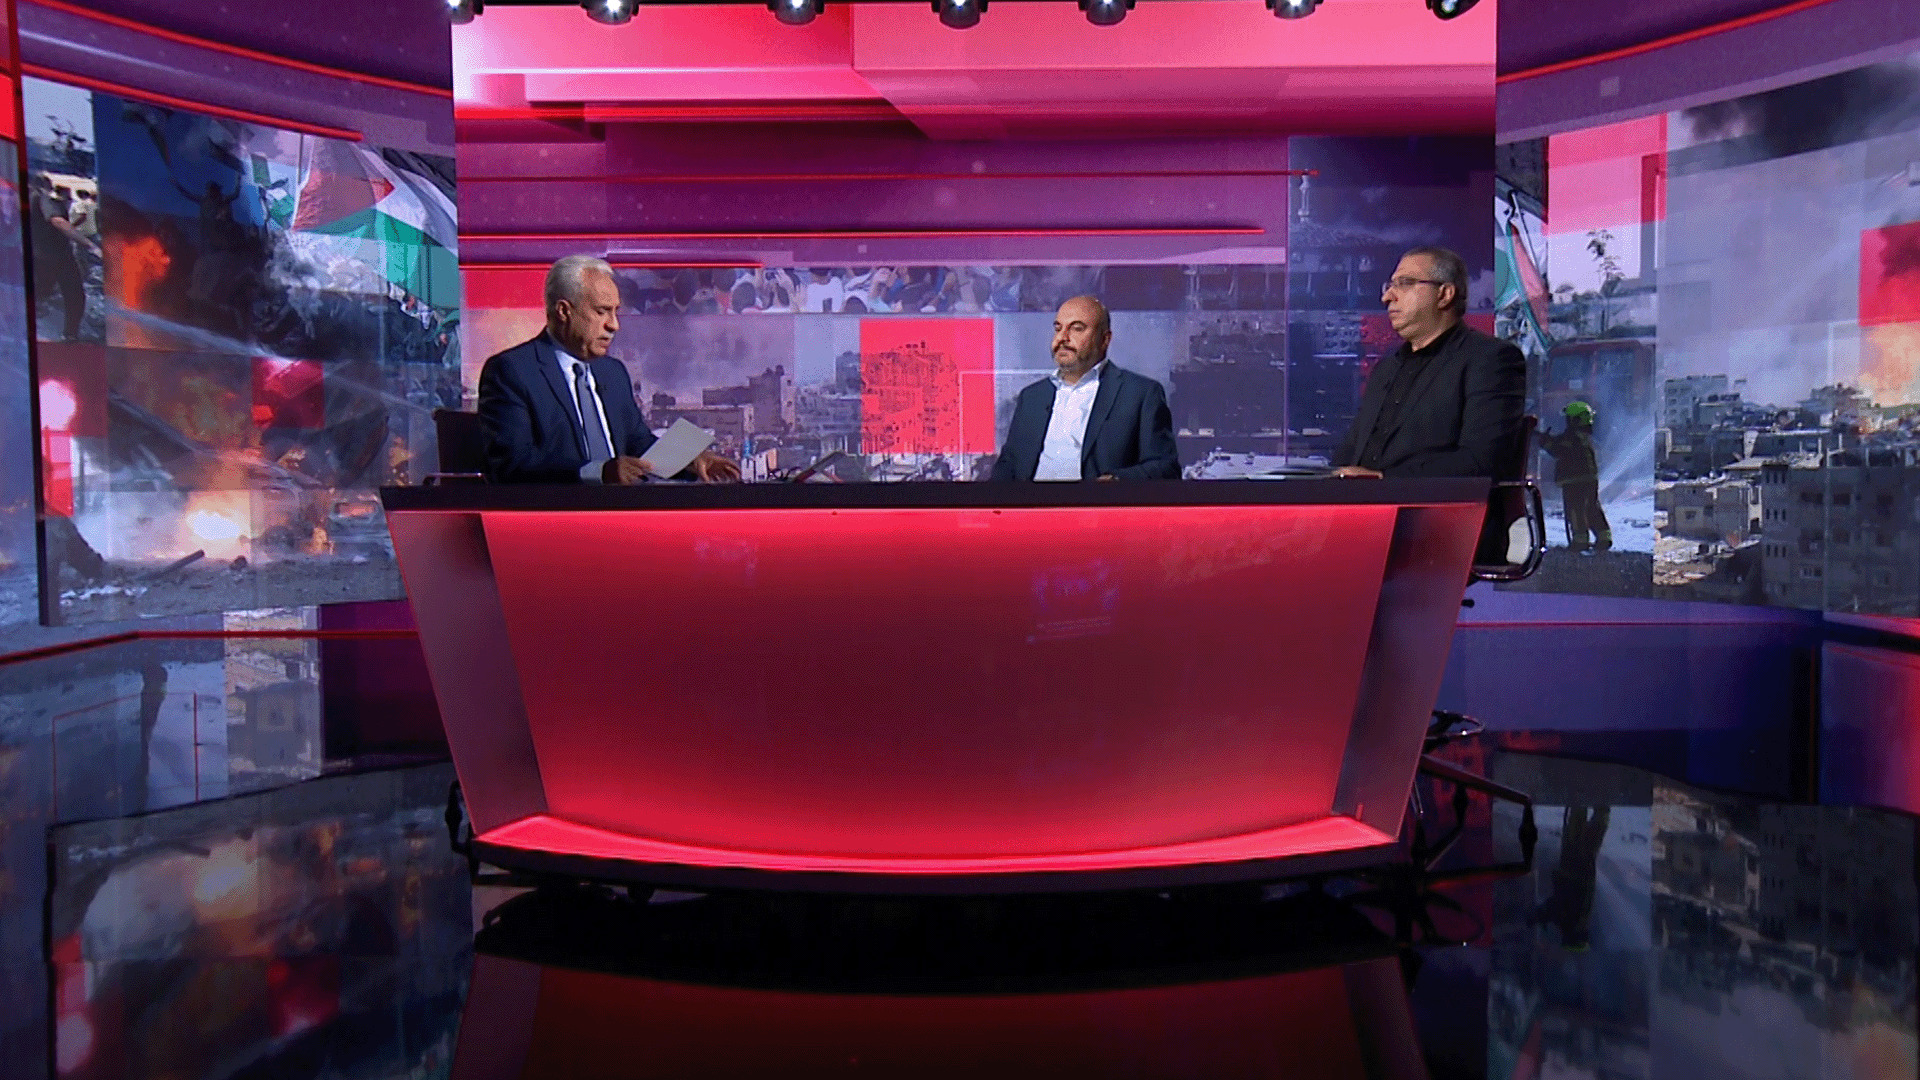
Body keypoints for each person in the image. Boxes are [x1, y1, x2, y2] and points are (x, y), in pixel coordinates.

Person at [477, 255, 740, 484]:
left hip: (623, 515)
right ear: (564, 311)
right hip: (558, 518)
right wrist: (598, 473)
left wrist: (691, 460)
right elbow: (511, 464)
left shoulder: (613, 373)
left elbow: (639, 445)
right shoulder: (512, 372)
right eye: (602, 312)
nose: (614, 325)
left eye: (615, 312)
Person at [1331, 246, 1527, 481]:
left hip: (1431, 502)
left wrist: (1384, 479)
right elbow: (1349, 455)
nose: (1387, 297)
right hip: (1359, 501)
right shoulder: (1385, 370)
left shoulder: (1489, 360)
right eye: (1389, 286)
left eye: (1404, 283)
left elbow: (1481, 461)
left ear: (1444, 294)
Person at [991, 295, 1180, 481]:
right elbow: (1007, 467)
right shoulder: (1032, 397)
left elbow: (1165, 468)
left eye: (1076, 329)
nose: (1062, 338)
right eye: (1058, 328)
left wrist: (1116, 481)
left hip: (1097, 500)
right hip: (1032, 499)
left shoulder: (1140, 394)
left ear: (1104, 339)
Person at [1540, 400, 1611, 553]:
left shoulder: (1571, 438)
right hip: (1590, 479)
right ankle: (1604, 537)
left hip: (1574, 481)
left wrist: (1546, 443)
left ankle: (1580, 541)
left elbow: (1558, 450)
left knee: (1576, 510)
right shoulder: (1585, 437)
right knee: (1592, 508)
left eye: (1568, 418)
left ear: (1575, 420)